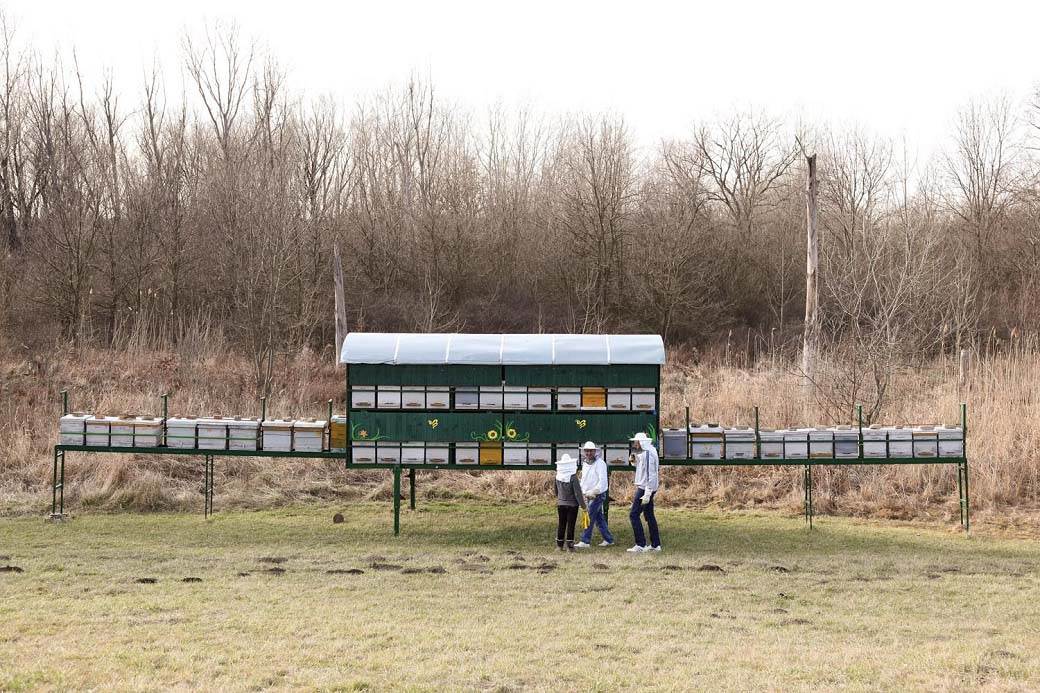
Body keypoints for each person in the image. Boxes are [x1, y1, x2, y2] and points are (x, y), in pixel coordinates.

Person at [574, 441, 613, 548]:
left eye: (590, 451)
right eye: (587, 451)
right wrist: (582, 491)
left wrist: (594, 491)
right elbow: (584, 479)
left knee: (589, 516)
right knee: (599, 518)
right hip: (587, 494)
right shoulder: (585, 463)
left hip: (597, 495)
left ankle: (585, 541)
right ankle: (608, 539)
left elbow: (603, 482)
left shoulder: (600, 464)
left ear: (595, 451)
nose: (588, 453)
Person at [627, 432, 661, 553]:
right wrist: (634, 460)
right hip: (649, 488)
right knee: (649, 516)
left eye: (636, 442)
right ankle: (655, 544)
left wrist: (647, 493)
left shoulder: (648, 454)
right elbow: (643, 465)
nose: (635, 444)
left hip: (645, 488)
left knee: (633, 514)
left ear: (641, 442)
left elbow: (650, 473)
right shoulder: (650, 451)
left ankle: (640, 544)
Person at [554, 453, 587, 551]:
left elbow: (556, 491)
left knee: (561, 524)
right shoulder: (573, 477)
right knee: (570, 525)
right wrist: (583, 506)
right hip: (572, 505)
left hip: (561, 504)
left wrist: (560, 499)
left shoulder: (557, 476)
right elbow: (578, 493)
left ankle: (559, 545)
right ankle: (570, 546)